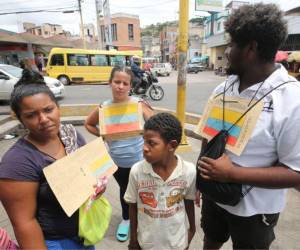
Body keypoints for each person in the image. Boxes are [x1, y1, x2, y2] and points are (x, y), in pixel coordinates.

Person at [197, 3, 300, 250]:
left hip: (255, 211)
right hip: (214, 196)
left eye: (232, 44)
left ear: (251, 48)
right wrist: (199, 179)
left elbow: (296, 172)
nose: (228, 51)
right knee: (211, 239)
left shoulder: (291, 100)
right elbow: (208, 137)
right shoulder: (224, 88)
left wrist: (233, 174)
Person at [0, 70, 103, 249]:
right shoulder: (17, 163)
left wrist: (97, 186)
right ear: (20, 119)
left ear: (58, 107)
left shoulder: (71, 134)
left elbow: (88, 172)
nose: (44, 119)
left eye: (48, 110)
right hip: (55, 242)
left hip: (84, 232)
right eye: (31, 115)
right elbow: (24, 223)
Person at [85, 66, 153, 242]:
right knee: (125, 191)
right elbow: (88, 124)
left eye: (125, 83)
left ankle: (145, 218)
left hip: (140, 161)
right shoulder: (104, 107)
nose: (120, 86)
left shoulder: (138, 104)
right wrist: (103, 135)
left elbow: (157, 125)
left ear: (130, 86)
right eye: (117, 82)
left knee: (143, 191)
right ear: (110, 83)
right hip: (117, 164)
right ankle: (127, 219)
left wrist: (149, 140)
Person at [124, 112, 196, 250]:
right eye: (144, 141)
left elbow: (188, 200)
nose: (144, 148)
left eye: (151, 143)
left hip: (177, 243)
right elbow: (132, 206)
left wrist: (192, 229)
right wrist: (133, 240)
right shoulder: (137, 171)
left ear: (171, 145)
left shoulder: (188, 171)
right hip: (147, 243)